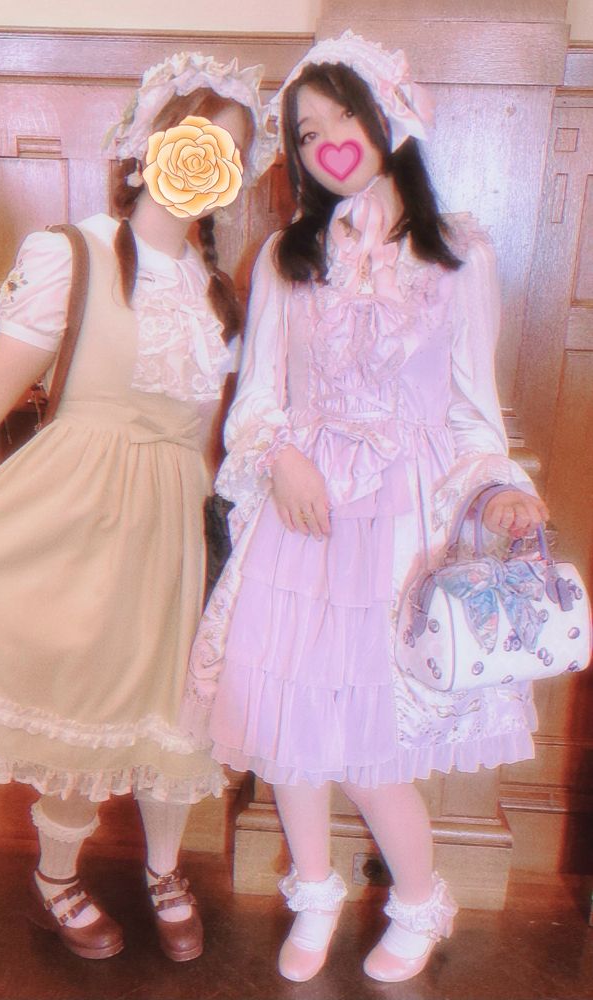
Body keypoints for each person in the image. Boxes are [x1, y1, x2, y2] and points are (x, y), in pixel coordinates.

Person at [0, 52, 275, 963]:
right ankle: (56, 877)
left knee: (177, 702)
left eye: (233, 152)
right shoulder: (71, 253)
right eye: (198, 139)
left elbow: (225, 432)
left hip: (178, 524)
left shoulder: (216, 290)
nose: (211, 162)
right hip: (80, 511)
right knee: (79, 701)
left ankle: (164, 869)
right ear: (149, 144)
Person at [182, 30, 549, 984]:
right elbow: (255, 401)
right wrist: (281, 459)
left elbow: (471, 412)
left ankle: (418, 900)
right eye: (306, 132)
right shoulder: (284, 257)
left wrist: (500, 491)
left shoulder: (458, 254)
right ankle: (313, 890)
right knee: (284, 726)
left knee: (371, 745)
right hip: (300, 520)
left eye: (342, 115)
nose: (327, 142)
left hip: (399, 528)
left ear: (387, 115)